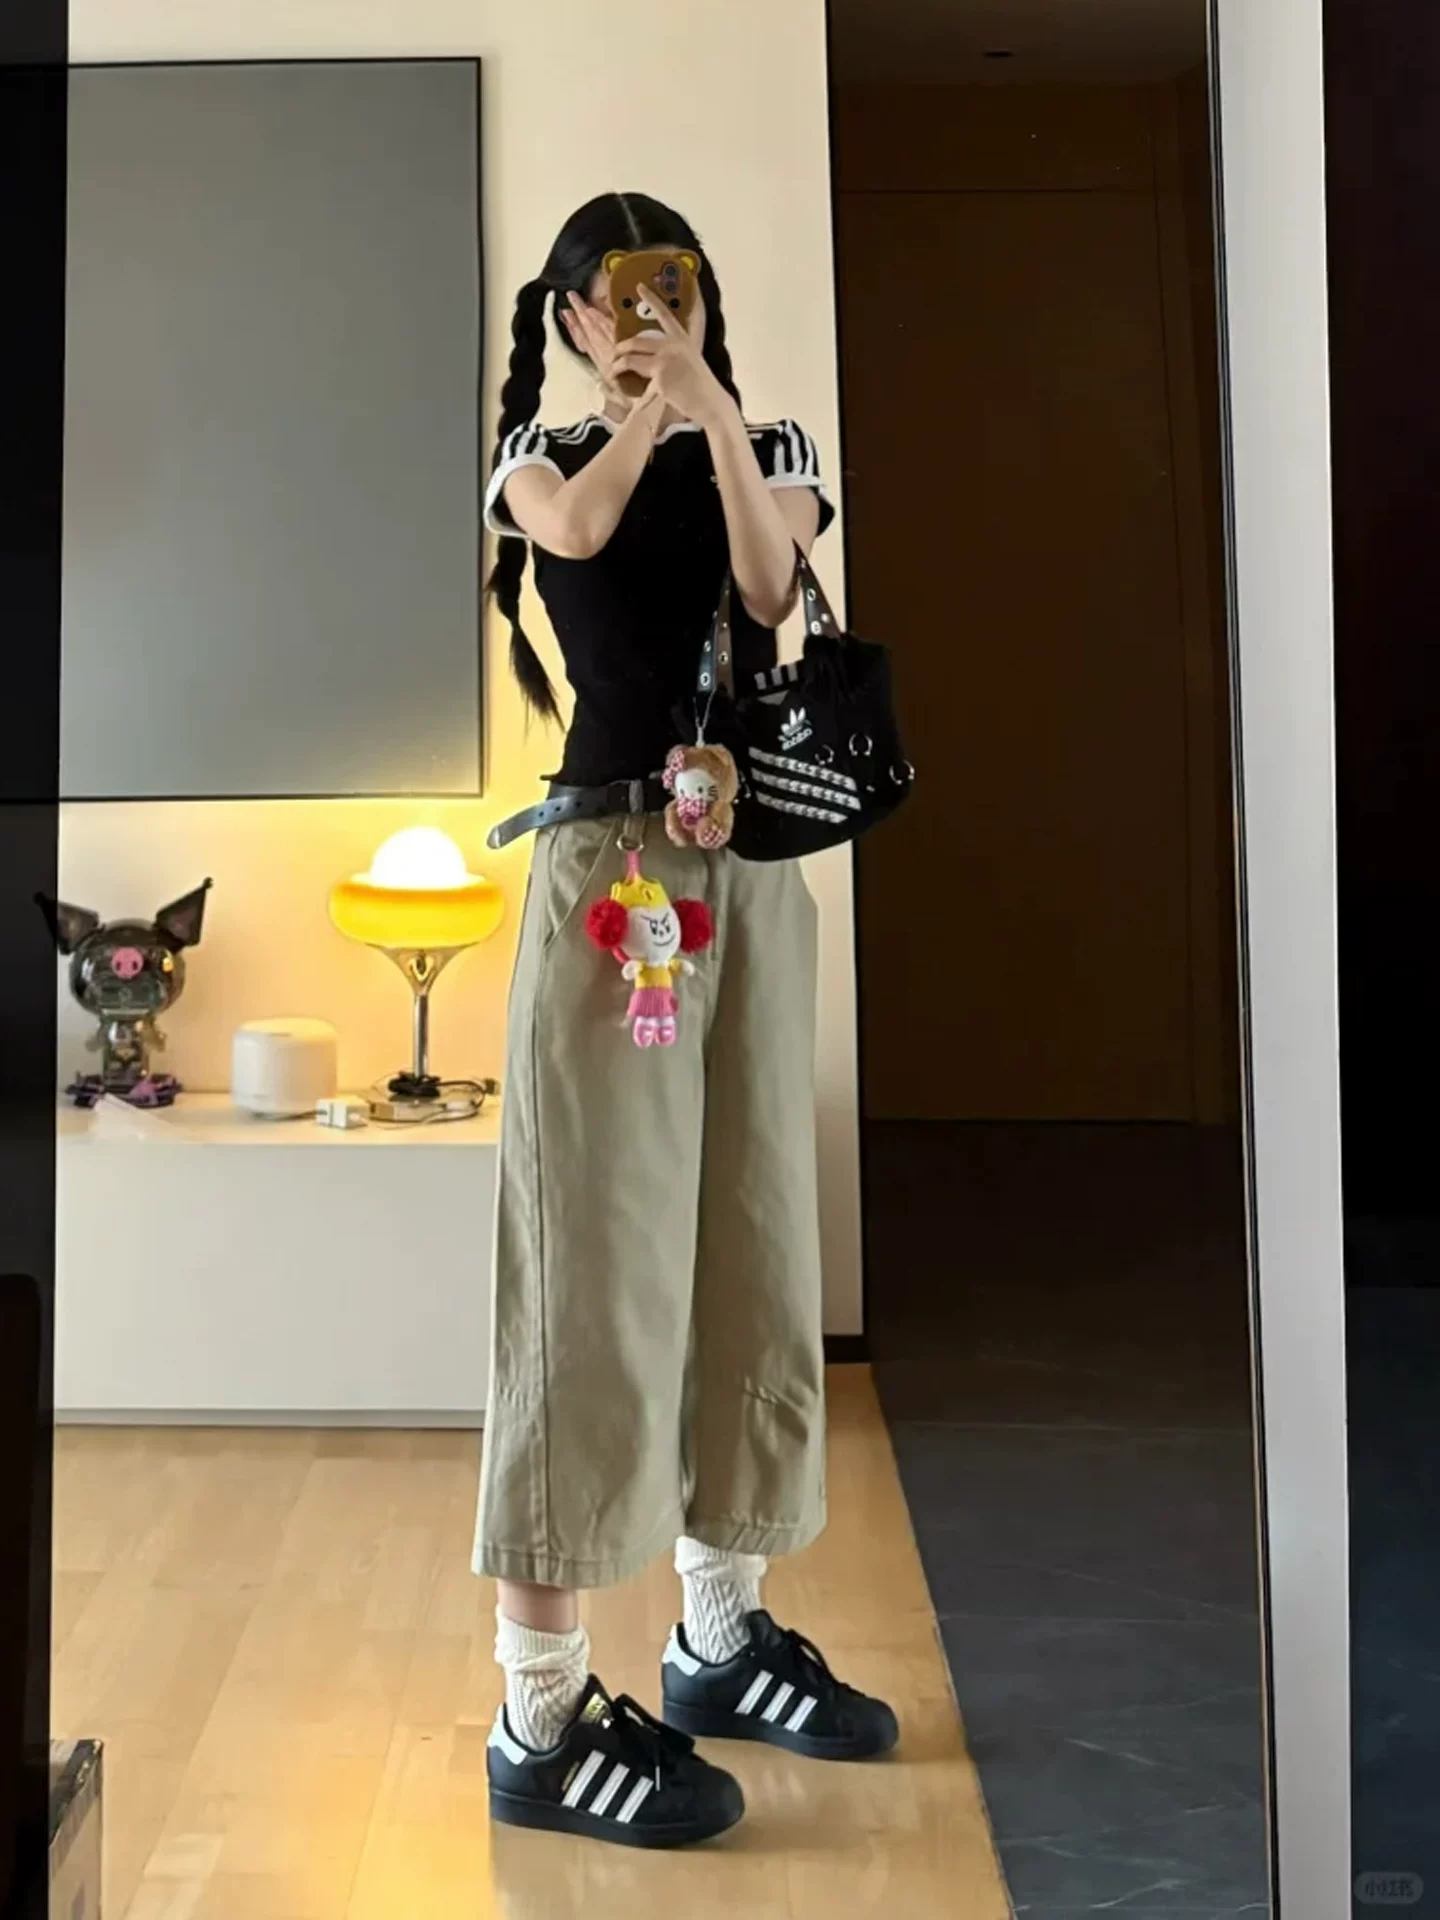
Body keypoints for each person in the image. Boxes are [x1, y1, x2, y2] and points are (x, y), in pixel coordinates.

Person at [476, 191, 898, 1850]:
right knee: (595, 1253)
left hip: (751, 871)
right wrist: (646, 405)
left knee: (754, 1237)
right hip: (613, 882)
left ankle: (718, 1632)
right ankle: (538, 1710)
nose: (656, 312)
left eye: (682, 289)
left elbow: (772, 587)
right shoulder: (537, 452)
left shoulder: (769, 442)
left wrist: (714, 407)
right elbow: (578, 541)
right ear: (575, 316)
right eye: (625, 296)